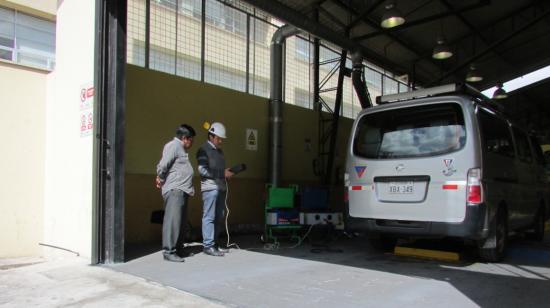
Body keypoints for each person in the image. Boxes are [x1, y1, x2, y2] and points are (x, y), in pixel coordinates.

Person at [156, 124, 196, 262]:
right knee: (173, 221)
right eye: (191, 140)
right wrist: (160, 178)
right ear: (184, 138)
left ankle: (179, 248)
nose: (192, 143)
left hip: (182, 190)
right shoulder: (173, 146)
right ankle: (169, 251)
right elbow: (163, 165)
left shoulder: (180, 148)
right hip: (175, 190)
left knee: (180, 222)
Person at [196, 122, 234, 256]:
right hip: (210, 188)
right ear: (211, 136)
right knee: (209, 216)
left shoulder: (219, 151)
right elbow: (202, 170)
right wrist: (221, 174)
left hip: (221, 187)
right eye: (218, 138)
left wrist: (226, 173)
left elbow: (218, 170)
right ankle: (208, 246)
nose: (220, 140)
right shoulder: (203, 150)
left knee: (219, 217)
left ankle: (215, 244)